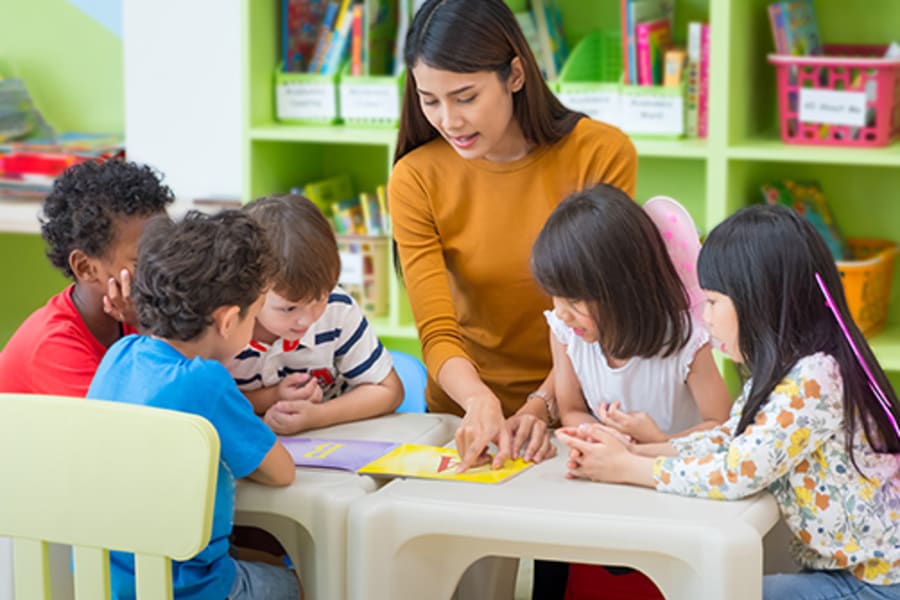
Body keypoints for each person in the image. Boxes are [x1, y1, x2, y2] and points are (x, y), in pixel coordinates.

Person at [556, 204, 900, 600]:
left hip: (877, 583)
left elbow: (738, 472)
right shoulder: (786, 371)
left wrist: (627, 467)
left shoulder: (815, 377)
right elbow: (730, 439)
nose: (706, 318)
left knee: (717, 591)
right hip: (852, 573)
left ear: (761, 300)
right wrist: (641, 450)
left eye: (714, 302)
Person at [389, 0, 638, 474]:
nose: (449, 120)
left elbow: (603, 310)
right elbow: (437, 332)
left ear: (516, 75)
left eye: (465, 97)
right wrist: (479, 401)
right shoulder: (415, 177)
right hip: (462, 412)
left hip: (584, 407)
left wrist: (542, 403)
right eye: (430, 100)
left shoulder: (601, 154)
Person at [88, 210, 301, 600]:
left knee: (250, 557)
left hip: (107, 582)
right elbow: (281, 472)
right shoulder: (204, 381)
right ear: (227, 320)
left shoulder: (120, 353)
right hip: (187, 590)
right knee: (300, 581)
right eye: (253, 316)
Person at [531, 183, 731, 443]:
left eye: (575, 300)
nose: (561, 313)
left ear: (624, 288)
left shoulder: (685, 342)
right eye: (556, 295)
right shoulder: (566, 334)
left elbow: (721, 426)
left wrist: (655, 441)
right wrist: (605, 436)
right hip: (614, 472)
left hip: (672, 473)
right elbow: (572, 410)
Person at [230, 194, 403, 435]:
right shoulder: (225, 327)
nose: (308, 319)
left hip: (330, 443)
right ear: (248, 290)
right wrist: (272, 397)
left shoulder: (337, 308)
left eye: (320, 298)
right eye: (289, 308)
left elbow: (389, 390)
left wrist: (319, 416)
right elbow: (205, 402)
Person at [0, 159, 173, 396]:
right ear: (85, 268)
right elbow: (141, 421)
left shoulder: (135, 308)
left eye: (169, 249)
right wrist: (146, 324)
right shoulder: (53, 346)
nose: (165, 265)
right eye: (142, 260)